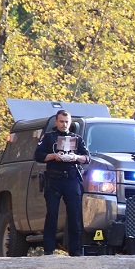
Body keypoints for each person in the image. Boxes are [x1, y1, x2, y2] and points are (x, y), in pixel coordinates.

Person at [34, 109, 91, 256]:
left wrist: (76, 157)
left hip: (71, 180)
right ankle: (48, 249)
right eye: (61, 121)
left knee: (74, 215)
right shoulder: (48, 137)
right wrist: (53, 156)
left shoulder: (77, 139)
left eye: (66, 122)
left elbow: (87, 158)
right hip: (54, 180)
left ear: (70, 122)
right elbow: (38, 155)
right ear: (56, 122)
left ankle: (75, 250)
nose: (64, 124)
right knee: (52, 214)